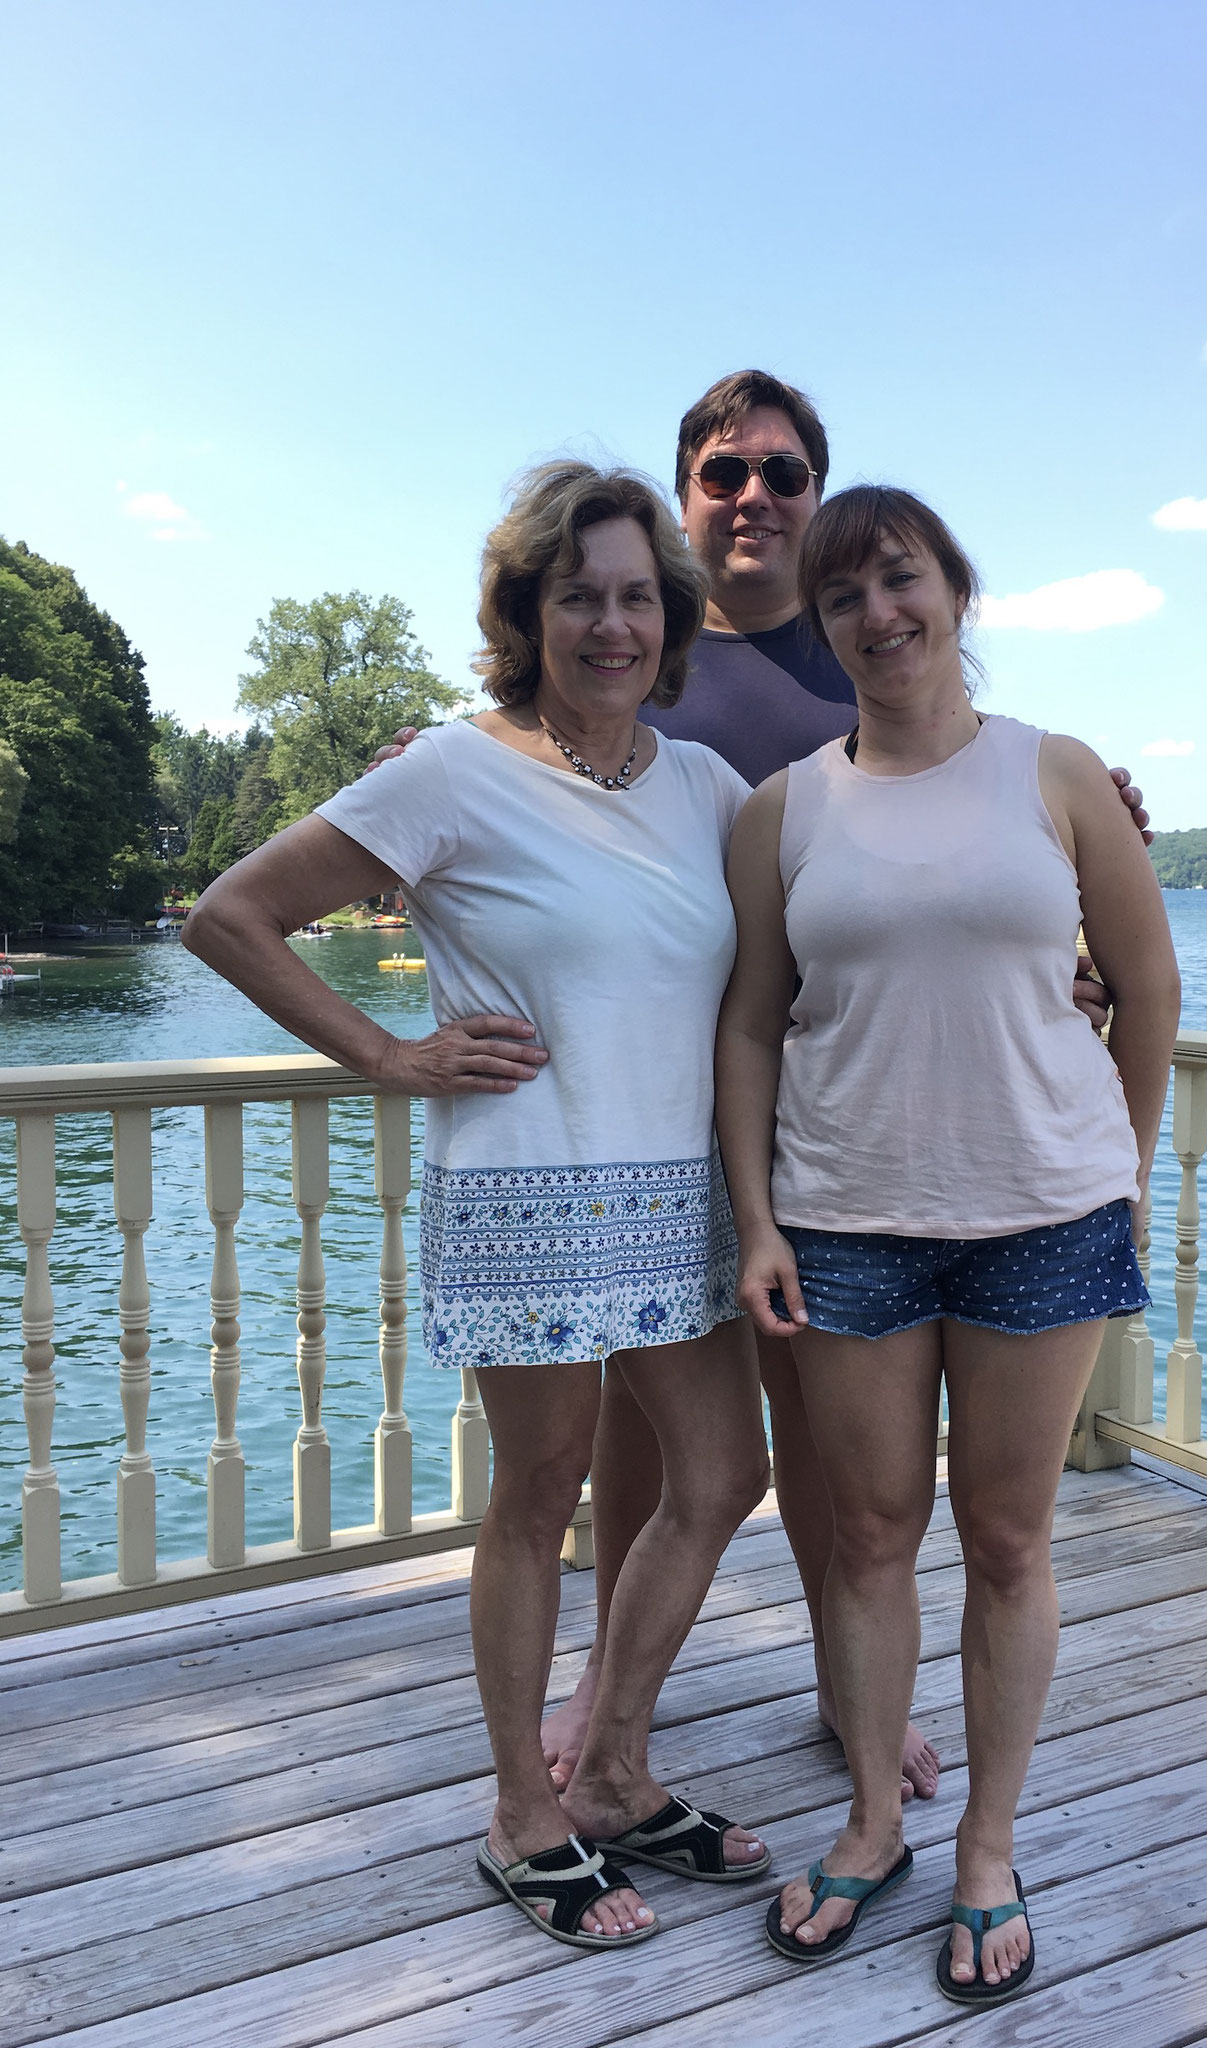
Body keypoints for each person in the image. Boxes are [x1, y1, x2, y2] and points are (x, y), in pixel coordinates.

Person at [373, 370, 1155, 1810]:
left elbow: (970, 825)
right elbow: (537, 772)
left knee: (817, 1461)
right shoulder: (650, 653)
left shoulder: (850, 654)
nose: (757, 498)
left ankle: (839, 1698)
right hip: (643, 1126)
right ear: (686, 500)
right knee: (631, 1448)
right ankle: (614, 1707)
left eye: (785, 475)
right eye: (726, 473)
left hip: (836, 1132)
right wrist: (414, 785)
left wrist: (1080, 870)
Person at [183, 461, 772, 1955]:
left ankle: (620, 1766)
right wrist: (387, 1051)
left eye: (639, 595)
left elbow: (835, 920)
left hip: (677, 1195)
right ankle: (523, 1810)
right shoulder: (450, 770)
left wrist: (1069, 874)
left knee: (719, 1475)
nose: (613, 623)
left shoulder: (706, 790)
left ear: (671, 613)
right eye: (580, 594)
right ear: (528, 608)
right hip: (525, 1190)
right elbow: (231, 915)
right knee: (539, 1496)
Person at [715, 485, 1180, 2006]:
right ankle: (867, 1822)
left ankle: (986, 1843)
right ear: (822, 621)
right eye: (842, 598)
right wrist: (760, 1218)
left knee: (1006, 1540)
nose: (876, 617)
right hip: (845, 1221)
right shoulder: (783, 809)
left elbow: (1148, 986)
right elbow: (747, 1022)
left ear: (954, 592)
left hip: (1039, 1214)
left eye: (899, 582)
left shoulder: (1054, 779)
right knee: (860, 1535)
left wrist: (1123, 1164)